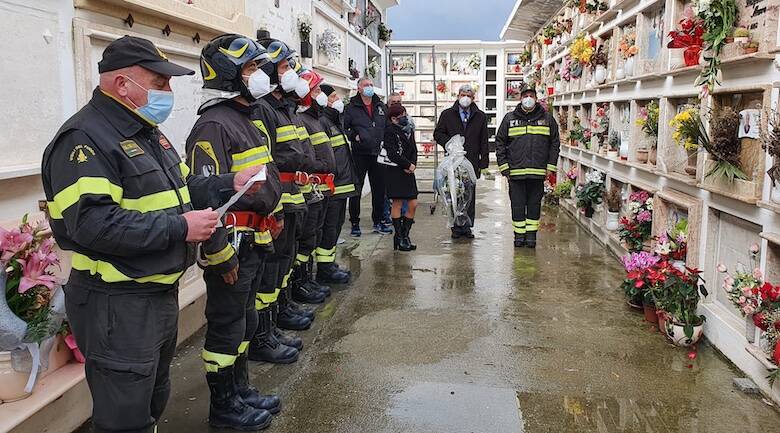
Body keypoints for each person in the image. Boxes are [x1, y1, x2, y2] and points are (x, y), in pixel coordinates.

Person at [41, 35, 265, 433]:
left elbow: (182, 191)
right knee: (124, 419)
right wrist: (181, 227)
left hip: (153, 296)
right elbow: (92, 224)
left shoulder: (148, 134)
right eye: (159, 83)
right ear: (123, 84)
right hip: (116, 304)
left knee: (152, 404)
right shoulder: (84, 140)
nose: (168, 92)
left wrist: (231, 182)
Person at [186, 34, 284, 430]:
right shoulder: (213, 125)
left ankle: (239, 389)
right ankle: (223, 407)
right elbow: (202, 197)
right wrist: (218, 250)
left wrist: (271, 217)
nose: (260, 76)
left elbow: (259, 183)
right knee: (227, 326)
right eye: (250, 69)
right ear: (229, 75)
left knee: (244, 321)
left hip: (254, 241)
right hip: (231, 247)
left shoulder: (247, 118)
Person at [248, 38, 312, 365]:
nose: (291, 74)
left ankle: (275, 320)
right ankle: (262, 335)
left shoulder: (282, 108)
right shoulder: (263, 110)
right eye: (286, 67)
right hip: (277, 203)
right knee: (270, 269)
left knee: (283, 264)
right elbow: (268, 162)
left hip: (292, 199)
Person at [495, 84, 560, 248]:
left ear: (536, 98)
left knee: (534, 206)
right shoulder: (510, 119)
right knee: (517, 206)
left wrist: (550, 167)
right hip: (515, 173)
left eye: (531, 95)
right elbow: (500, 143)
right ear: (520, 98)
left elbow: (554, 144)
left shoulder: (547, 119)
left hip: (537, 173)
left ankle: (531, 237)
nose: (528, 98)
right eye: (525, 96)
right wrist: (504, 167)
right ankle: (519, 237)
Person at [291, 69, 337, 300]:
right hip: (308, 190)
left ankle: (307, 280)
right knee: (305, 240)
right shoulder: (302, 119)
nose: (322, 95)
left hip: (318, 190)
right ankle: (300, 284)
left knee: (313, 237)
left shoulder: (316, 120)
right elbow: (302, 157)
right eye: (317, 90)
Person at [433, 83, 489, 239]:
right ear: (458, 96)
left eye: (469, 96)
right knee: (454, 192)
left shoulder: (480, 116)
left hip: (471, 161)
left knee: (469, 193)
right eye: (463, 95)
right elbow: (438, 133)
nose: (466, 98)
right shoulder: (447, 114)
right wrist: (450, 143)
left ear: (473, 98)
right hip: (453, 161)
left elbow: (484, 140)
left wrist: (483, 161)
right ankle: (456, 226)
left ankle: (467, 226)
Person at [316, 85, 357, 283]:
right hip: (332, 187)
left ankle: (329, 263)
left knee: (336, 226)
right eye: (332, 96)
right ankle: (324, 269)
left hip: (341, 186)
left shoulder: (333, 121)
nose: (337, 100)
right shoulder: (323, 122)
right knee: (329, 228)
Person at [344, 77, 391, 236]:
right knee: (356, 189)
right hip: (360, 154)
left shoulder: (380, 106)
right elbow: (345, 127)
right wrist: (354, 136)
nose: (369, 87)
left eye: (371, 84)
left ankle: (378, 221)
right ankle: (355, 223)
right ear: (359, 88)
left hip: (378, 154)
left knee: (379, 190)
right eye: (366, 85)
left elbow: (388, 126)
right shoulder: (351, 107)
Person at [382, 104, 418, 252]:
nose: (405, 116)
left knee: (413, 203)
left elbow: (414, 148)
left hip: (409, 170)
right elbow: (392, 153)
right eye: (401, 115)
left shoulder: (409, 129)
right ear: (394, 118)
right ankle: (400, 236)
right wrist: (406, 165)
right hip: (395, 171)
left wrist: (413, 164)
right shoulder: (390, 130)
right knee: (397, 203)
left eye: (405, 113)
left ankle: (405, 234)